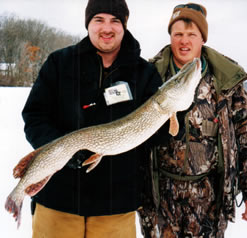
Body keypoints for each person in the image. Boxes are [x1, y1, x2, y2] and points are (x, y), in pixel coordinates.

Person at [21, 0, 163, 237]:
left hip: (115, 206)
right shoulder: (59, 63)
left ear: (124, 25)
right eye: (99, 20)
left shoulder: (144, 73)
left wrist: (171, 122)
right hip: (58, 200)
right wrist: (64, 150)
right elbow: (34, 116)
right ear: (88, 23)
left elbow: (156, 137)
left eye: (115, 21)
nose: (106, 28)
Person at [138, 3, 247, 238]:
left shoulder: (225, 81)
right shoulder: (150, 75)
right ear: (170, 37)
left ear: (202, 39)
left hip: (209, 198)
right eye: (178, 34)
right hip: (159, 195)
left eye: (191, 35)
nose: (184, 41)